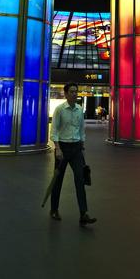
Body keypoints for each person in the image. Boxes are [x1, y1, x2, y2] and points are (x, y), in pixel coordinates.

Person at [49, 83, 96, 226]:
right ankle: (54, 209)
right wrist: (57, 149)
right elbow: (54, 131)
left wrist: (82, 144)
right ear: (66, 93)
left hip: (76, 149)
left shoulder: (79, 110)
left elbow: (81, 129)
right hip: (62, 148)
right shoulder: (59, 110)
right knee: (58, 180)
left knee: (80, 180)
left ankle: (83, 213)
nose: (75, 94)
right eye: (72, 92)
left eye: (76, 92)